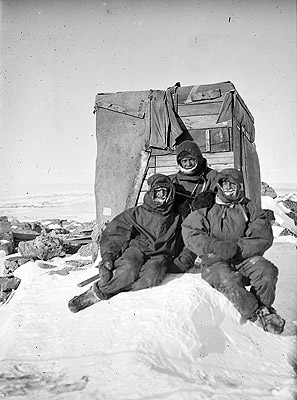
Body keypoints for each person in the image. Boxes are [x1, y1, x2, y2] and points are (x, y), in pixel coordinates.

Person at [181, 168, 285, 334]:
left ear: (239, 186)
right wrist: (215, 246)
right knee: (227, 279)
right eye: (224, 183)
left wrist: (238, 250)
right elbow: (190, 232)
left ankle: (264, 308)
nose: (228, 187)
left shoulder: (249, 207)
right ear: (219, 186)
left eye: (232, 184)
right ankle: (256, 313)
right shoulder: (208, 207)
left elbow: (262, 236)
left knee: (267, 271)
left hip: (243, 258)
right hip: (215, 261)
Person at [68, 173, 187, 313]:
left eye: (164, 192)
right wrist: (108, 257)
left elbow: (188, 239)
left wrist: (183, 261)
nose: (161, 196)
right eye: (157, 192)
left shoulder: (178, 217)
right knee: (128, 268)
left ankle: (114, 289)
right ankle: (92, 295)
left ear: (170, 194)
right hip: (138, 249)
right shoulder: (136, 213)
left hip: (160, 254)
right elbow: (116, 233)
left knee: (152, 275)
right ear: (151, 193)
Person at [167, 139, 218, 273]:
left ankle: (187, 258)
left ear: (198, 159)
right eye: (184, 161)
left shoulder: (211, 177)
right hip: (179, 223)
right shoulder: (173, 180)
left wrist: (208, 197)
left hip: (202, 222)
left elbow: (222, 192)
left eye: (191, 160)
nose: (188, 164)